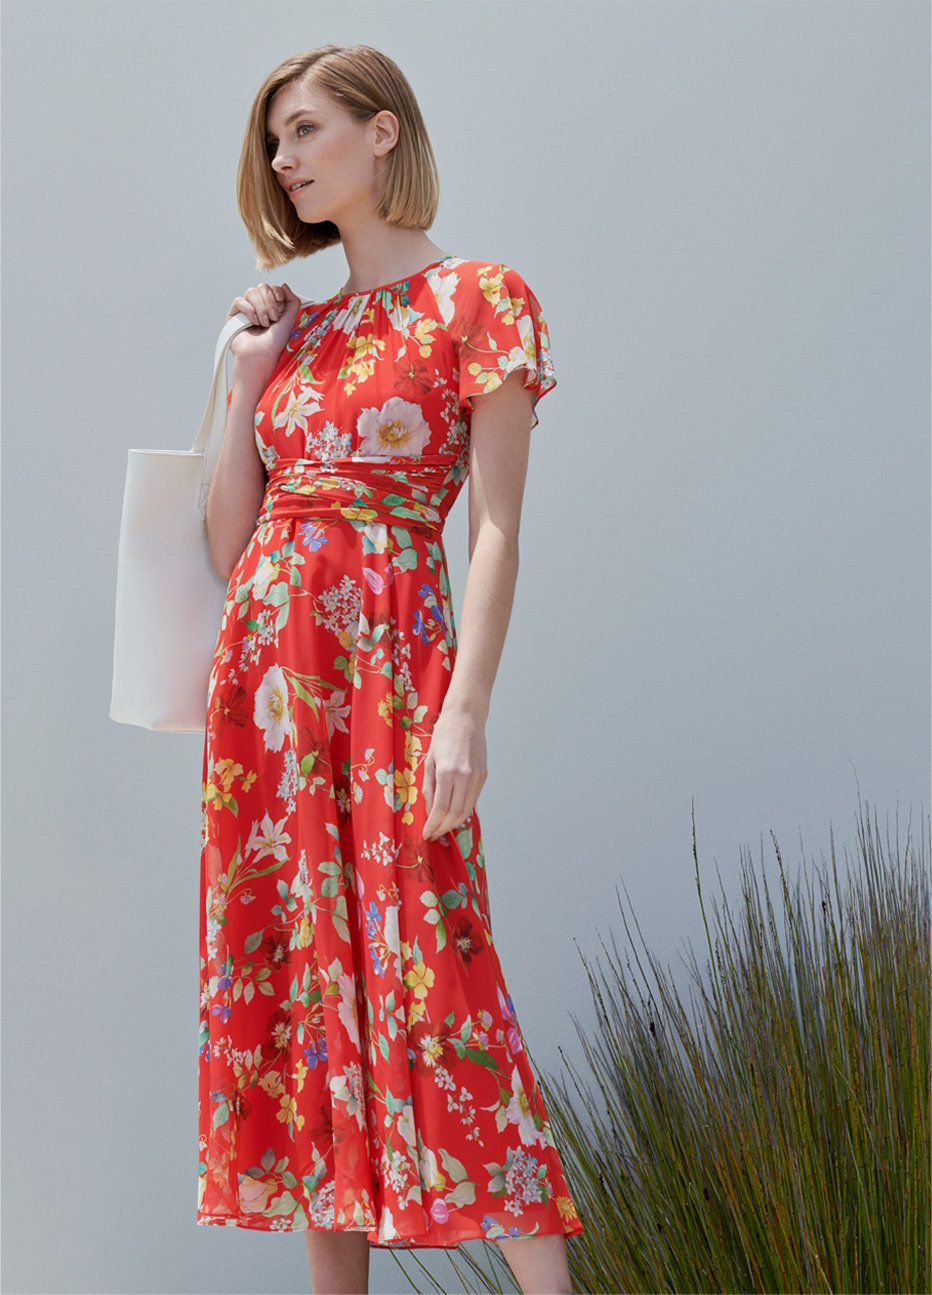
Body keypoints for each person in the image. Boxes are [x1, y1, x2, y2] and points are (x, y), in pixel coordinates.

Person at [198, 42, 583, 1295]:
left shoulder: (478, 297)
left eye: (304, 130)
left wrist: (464, 707)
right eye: (273, 144)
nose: (284, 160)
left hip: (392, 677)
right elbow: (225, 539)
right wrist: (241, 370)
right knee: (309, 1000)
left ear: (380, 133)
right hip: (265, 691)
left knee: (440, 977)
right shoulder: (291, 329)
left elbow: (498, 528)